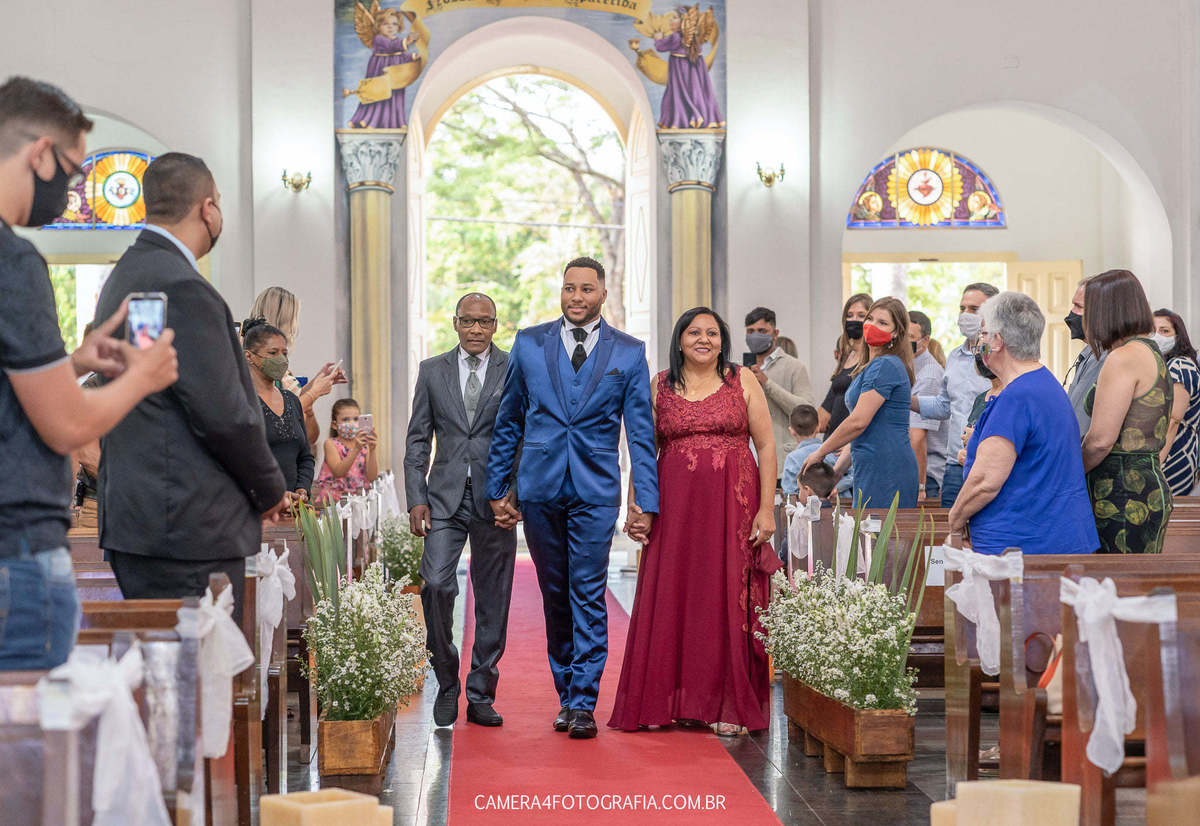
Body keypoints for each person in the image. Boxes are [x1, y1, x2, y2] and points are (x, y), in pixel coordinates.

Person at [0, 76, 178, 670]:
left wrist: (72, 363)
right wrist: (142, 375)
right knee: (27, 753)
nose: (73, 191)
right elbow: (67, 426)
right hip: (15, 548)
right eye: (76, 173)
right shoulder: (12, 260)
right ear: (40, 153)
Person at [95, 152, 289, 620]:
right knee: (197, 683)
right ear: (207, 208)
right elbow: (224, 413)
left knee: (167, 678)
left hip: (141, 519)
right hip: (187, 527)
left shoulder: (127, 274)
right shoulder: (183, 287)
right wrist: (269, 489)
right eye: (219, 203)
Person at [486, 257, 658, 740]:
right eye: (569, 289)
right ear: (560, 293)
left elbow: (641, 436)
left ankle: (583, 702)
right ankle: (566, 692)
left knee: (587, 592)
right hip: (539, 488)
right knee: (555, 596)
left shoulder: (628, 352)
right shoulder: (529, 343)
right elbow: (509, 422)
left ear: (603, 294)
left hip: (596, 491)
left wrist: (643, 500)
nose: (576, 297)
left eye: (586, 289)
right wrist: (499, 487)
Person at [609, 307, 779, 736]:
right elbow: (644, 453)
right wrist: (636, 507)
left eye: (712, 333)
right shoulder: (660, 385)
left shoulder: (742, 379)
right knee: (674, 595)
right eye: (694, 332)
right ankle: (664, 702)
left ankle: (727, 704)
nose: (704, 339)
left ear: (723, 339)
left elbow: (767, 445)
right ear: (679, 338)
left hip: (733, 505)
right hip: (674, 510)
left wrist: (766, 508)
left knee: (724, 595)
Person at [404, 292, 518, 729]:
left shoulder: (514, 369)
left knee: (493, 597)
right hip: (444, 497)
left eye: (484, 322)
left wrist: (515, 495)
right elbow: (417, 439)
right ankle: (447, 679)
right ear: (455, 323)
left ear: (495, 325)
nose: (475, 330)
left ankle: (480, 692)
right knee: (434, 584)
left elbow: (525, 434)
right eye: (468, 321)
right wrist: (416, 496)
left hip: (496, 498)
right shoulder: (432, 371)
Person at [948, 292, 1097, 555]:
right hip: (1049, 536)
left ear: (997, 341)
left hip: (1022, 547)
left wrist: (955, 521)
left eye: (983, 334)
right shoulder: (1043, 382)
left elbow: (985, 481)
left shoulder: (1017, 396)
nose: (978, 343)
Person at [1081, 270, 1174, 554]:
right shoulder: (1150, 351)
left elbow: (1100, 441)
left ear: (1104, 313)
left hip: (1121, 492)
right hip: (1144, 483)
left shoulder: (1122, 358)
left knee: (1118, 587)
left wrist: (1069, 472)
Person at [803, 297, 919, 509]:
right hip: (869, 464)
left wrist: (821, 452)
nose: (872, 326)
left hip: (887, 465)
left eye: (882, 323)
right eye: (870, 319)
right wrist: (836, 474)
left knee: (882, 538)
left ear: (895, 333)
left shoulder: (885, 365)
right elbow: (862, 432)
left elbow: (858, 422)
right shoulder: (870, 366)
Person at [912, 283, 999, 507]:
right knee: (951, 534)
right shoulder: (954, 357)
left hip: (988, 463)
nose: (965, 315)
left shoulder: (1001, 357)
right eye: (962, 309)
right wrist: (905, 400)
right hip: (953, 466)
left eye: (973, 309)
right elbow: (944, 406)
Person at [249, 285, 346, 444]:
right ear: (283, 321)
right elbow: (280, 416)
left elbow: (293, 401)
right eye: (294, 319)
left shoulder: (273, 362)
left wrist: (317, 382)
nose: (295, 327)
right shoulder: (259, 363)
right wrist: (314, 392)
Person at [242, 317, 314, 503]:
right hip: (258, 508)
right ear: (249, 356)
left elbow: (305, 457)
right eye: (273, 353)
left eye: (284, 353)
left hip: (295, 510)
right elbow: (238, 464)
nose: (281, 360)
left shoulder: (291, 400)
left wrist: (302, 489)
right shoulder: (241, 402)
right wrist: (276, 497)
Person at [744, 306, 815, 476]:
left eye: (762, 331)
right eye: (750, 331)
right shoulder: (740, 368)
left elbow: (806, 411)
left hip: (781, 461)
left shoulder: (794, 367)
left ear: (775, 333)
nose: (755, 336)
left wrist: (767, 384)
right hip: (747, 458)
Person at [1152, 309, 1200, 497]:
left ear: (1178, 336)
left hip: (1174, 454)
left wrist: (1156, 466)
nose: (1157, 336)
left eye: (1164, 331)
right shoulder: (1167, 365)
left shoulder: (1179, 366)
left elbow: (1173, 419)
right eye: (1153, 330)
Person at [908, 311, 950, 502]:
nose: (904, 342)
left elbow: (917, 436)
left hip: (926, 474)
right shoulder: (907, 365)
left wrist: (919, 486)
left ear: (925, 341)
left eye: (910, 337)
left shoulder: (930, 374)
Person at [819, 292, 871, 436]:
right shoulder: (848, 357)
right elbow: (825, 410)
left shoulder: (874, 359)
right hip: (833, 437)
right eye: (850, 315)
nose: (854, 320)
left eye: (861, 315)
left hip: (853, 440)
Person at [312, 398, 378, 506]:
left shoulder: (364, 445)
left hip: (357, 503)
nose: (351, 423)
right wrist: (356, 449)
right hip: (334, 504)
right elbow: (339, 472)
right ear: (334, 424)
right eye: (346, 419)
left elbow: (372, 477)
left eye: (356, 419)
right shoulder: (331, 444)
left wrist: (372, 449)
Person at [1063, 276, 1106, 434]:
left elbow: (1084, 422)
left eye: (1078, 306)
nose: (1071, 313)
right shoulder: (1088, 351)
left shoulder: (1107, 357)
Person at [780, 404, 840, 498]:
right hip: (840, 507)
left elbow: (789, 493)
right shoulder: (834, 451)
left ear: (791, 431)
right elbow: (851, 476)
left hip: (805, 509)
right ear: (818, 427)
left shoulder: (792, 458)